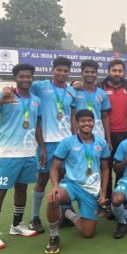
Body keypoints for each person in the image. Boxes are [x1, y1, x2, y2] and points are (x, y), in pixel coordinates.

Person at [0, 64, 42, 249]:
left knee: (21, 189)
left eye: (29, 76)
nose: (26, 79)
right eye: (22, 76)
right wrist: (1, 102)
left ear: (32, 78)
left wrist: (42, 149)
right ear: (15, 78)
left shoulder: (36, 100)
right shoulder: (4, 95)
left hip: (29, 153)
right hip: (7, 153)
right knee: (0, 191)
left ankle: (16, 225)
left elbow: (37, 126)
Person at [44, 109, 110, 254]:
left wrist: (104, 193)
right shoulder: (67, 142)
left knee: (87, 233)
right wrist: (55, 186)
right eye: (83, 121)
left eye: (89, 120)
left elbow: (105, 169)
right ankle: (54, 236)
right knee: (53, 198)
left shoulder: (101, 142)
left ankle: (68, 213)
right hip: (71, 185)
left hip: (90, 190)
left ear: (94, 122)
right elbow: (54, 168)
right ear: (77, 123)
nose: (86, 124)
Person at [29, 56, 76, 233]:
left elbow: (72, 117)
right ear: (52, 70)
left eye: (65, 71)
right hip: (47, 143)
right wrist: (41, 147)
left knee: (65, 178)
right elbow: (21, 87)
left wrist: (74, 140)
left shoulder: (71, 91)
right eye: (59, 70)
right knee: (42, 179)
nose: (62, 73)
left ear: (69, 73)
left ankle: (65, 213)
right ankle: (35, 217)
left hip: (66, 143)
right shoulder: (40, 86)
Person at [99, 59, 127, 208]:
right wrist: (75, 83)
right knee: (105, 168)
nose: (117, 73)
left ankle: (120, 200)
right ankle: (106, 200)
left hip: (124, 134)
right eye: (114, 70)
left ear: (124, 72)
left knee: (122, 168)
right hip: (105, 135)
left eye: (120, 71)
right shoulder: (100, 86)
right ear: (109, 71)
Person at [75, 60, 112, 144]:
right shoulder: (74, 91)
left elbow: (105, 117)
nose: (90, 74)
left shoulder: (102, 94)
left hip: (98, 134)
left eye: (93, 72)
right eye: (86, 72)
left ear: (97, 74)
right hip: (79, 133)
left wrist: (109, 140)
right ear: (81, 73)